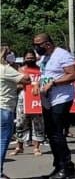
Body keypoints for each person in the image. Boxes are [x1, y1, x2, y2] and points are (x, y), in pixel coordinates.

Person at [33, 33, 75, 179]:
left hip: (61, 98)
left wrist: (54, 83)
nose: (36, 48)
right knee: (51, 134)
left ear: (47, 44)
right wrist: (37, 84)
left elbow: (72, 75)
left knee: (57, 134)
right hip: (48, 100)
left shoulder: (62, 55)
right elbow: (46, 75)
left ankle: (67, 167)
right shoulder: (45, 57)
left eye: (38, 45)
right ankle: (58, 166)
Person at [1, 45, 31, 179]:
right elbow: (26, 79)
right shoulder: (6, 69)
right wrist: (21, 70)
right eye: (9, 53)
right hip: (5, 108)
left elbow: (14, 83)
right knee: (2, 141)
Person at [10, 50, 45, 157]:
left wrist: (37, 85)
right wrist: (26, 85)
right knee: (20, 123)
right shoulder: (20, 70)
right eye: (28, 58)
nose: (30, 59)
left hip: (36, 100)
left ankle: (36, 148)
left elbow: (45, 82)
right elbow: (15, 85)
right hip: (23, 99)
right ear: (24, 59)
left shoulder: (40, 70)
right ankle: (19, 147)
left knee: (38, 123)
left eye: (32, 57)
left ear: (35, 58)